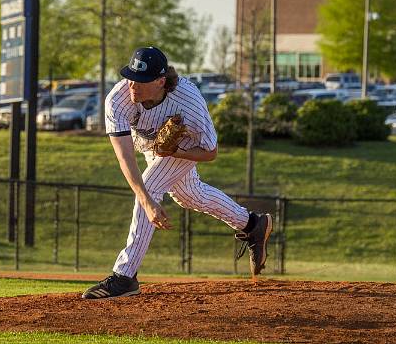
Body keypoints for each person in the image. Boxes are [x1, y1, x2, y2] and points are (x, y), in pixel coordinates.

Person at [82, 46, 272, 300]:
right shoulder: (118, 100)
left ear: (161, 81)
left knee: (151, 185)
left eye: (140, 80)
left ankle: (124, 276)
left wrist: (175, 154)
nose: (132, 85)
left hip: (185, 146)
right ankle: (252, 224)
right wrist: (147, 203)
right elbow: (125, 157)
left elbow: (210, 152)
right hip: (151, 148)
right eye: (130, 77)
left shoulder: (188, 102)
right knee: (190, 196)